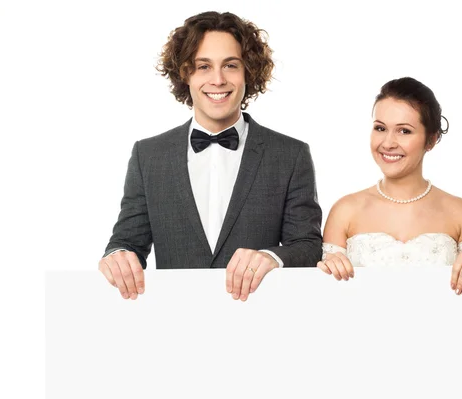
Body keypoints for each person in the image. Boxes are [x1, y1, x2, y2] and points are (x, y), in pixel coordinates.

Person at [98, 11, 322, 302]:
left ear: (248, 72)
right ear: (185, 73)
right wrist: (118, 257)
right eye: (203, 66)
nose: (217, 80)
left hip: (262, 318)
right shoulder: (148, 155)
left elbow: (308, 245)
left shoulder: (290, 154)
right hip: (172, 319)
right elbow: (127, 242)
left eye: (230, 65)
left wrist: (271, 256)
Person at [317, 77, 462, 319]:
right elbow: (326, 307)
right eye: (380, 128)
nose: (388, 143)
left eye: (404, 131)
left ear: (430, 140)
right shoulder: (345, 210)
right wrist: (323, 277)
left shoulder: (460, 212)